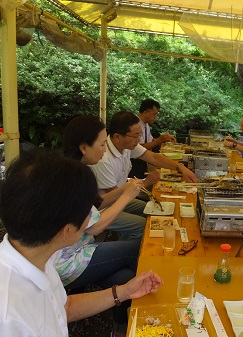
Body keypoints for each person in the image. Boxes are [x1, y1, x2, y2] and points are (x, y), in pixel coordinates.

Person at [0, 149, 163, 337]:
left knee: (125, 276)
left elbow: (64, 308)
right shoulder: (9, 315)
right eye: (89, 212)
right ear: (67, 231)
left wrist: (125, 291)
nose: (92, 217)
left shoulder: (38, 256)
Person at [57, 115, 144, 334]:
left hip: (74, 250)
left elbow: (99, 203)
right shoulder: (75, 178)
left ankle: (120, 326)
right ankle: (141, 317)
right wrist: (126, 196)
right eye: (102, 143)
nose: (105, 149)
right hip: (67, 259)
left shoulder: (71, 170)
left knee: (124, 277)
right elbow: (95, 227)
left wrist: (125, 189)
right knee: (139, 250)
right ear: (83, 147)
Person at [129, 98, 176, 178]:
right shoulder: (135, 124)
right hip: (135, 163)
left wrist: (164, 140)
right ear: (145, 112)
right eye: (154, 114)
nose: (156, 117)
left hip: (144, 161)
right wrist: (159, 140)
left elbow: (150, 141)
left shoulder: (145, 124)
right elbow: (139, 147)